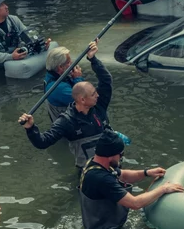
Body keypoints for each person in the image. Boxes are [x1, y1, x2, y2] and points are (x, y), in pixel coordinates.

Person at [19, 40, 116, 169]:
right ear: (60, 68)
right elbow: (43, 142)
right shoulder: (61, 101)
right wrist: (30, 128)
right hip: (75, 136)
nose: (98, 96)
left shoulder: (97, 104)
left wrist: (93, 59)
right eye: (69, 63)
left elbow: (106, 81)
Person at [78, 129, 184, 229]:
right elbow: (135, 203)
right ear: (110, 155)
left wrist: (146, 173)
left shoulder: (94, 163)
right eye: (121, 154)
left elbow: (122, 175)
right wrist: (163, 189)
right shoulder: (101, 179)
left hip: (98, 224)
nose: (121, 158)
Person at [0, 0, 48, 67]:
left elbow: (26, 33)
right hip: (1, 65)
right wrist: (11, 56)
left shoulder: (13, 19)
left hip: (18, 56)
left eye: (4, 4)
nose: (6, 6)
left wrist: (40, 43)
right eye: (2, 5)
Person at [44, 46, 85, 121]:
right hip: (70, 129)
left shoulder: (51, 76)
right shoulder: (59, 88)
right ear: (60, 67)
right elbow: (84, 100)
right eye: (69, 62)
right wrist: (78, 78)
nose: (72, 64)